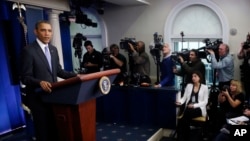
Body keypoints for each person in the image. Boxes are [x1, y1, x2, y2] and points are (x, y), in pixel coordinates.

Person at [20, 20, 77, 141]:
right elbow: (25, 77)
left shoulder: (53, 49)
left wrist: (77, 77)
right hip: (38, 99)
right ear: (36, 32)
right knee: (43, 132)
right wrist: (39, 82)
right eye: (43, 30)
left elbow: (59, 71)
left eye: (49, 31)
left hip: (54, 97)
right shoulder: (29, 50)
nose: (47, 34)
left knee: (55, 130)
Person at [175, 71, 209, 141]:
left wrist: (194, 105)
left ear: (199, 77)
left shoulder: (204, 87)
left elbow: (205, 102)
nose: (193, 78)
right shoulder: (189, 86)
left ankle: (181, 137)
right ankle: (186, 137)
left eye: (195, 76)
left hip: (199, 108)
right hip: (188, 108)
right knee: (186, 117)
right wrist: (180, 102)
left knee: (183, 119)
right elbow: (184, 98)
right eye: (192, 76)